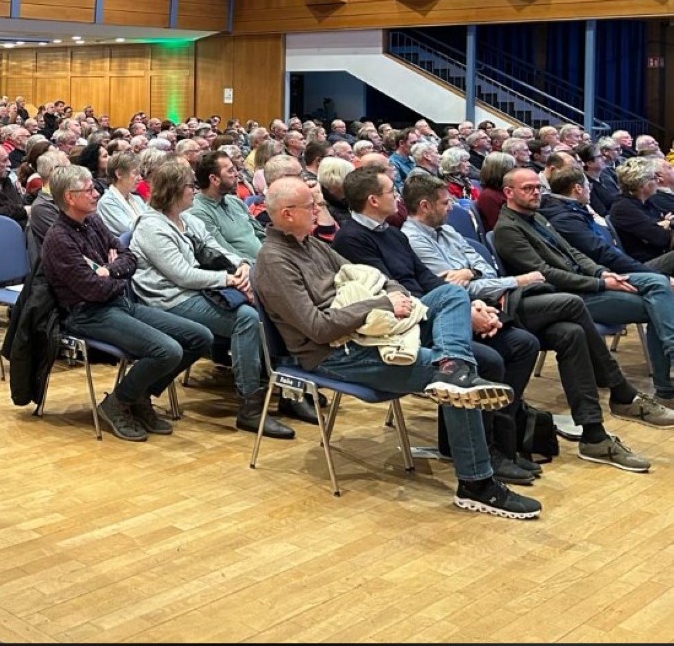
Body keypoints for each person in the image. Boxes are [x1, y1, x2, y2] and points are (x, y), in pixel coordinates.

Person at [254, 176, 540, 519]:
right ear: (287, 214)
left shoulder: (310, 244)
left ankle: (453, 367)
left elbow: (373, 277)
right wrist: (381, 303)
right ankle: (476, 483)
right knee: (456, 380)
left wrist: (390, 293)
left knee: (451, 295)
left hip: (371, 331)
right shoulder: (274, 261)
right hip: (336, 352)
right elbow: (317, 328)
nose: (319, 210)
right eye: (310, 206)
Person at [400, 170, 653, 472]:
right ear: (425, 206)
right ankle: (621, 392)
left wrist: (471, 272)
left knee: (570, 332)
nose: (452, 207)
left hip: (500, 302)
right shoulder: (413, 240)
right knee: (571, 304)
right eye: (445, 203)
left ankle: (594, 435)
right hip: (479, 311)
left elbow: (485, 269)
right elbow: (453, 289)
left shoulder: (449, 231)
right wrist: (511, 280)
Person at [491, 167, 674, 429]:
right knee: (659, 303)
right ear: (508, 192)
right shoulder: (508, 229)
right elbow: (546, 274)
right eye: (528, 188)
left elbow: (574, 254)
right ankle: (666, 387)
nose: (536, 193)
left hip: (590, 282)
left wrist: (602, 273)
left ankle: (667, 381)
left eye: (538, 187)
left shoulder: (537, 217)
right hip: (569, 294)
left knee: (658, 284)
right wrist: (600, 282)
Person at [41, 164, 208, 442]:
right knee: (167, 350)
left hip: (118, 303)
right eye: (89, 190)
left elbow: (130, 257)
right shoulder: (59, 239)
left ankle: (138, 395)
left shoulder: (93, 221)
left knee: (199, 337)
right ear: (70, 197)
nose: (97, 194)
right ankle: (117, 403)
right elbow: (93, 290)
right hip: (87, 314)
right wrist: (116, 274)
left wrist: (110, 270)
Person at [130, 158, 294, 438]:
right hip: (167, 299)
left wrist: (241, 265)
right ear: (173, 191)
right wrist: (228, 279)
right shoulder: (151, 227)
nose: (194, 191)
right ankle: (251, 407)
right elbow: (182, 275)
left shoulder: (188, 220)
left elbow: (217, 249)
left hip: (197, 291)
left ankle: (285, 389)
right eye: (189, 186)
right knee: (246, 319)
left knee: (265, 306)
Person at [187, 150, 264, 262]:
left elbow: (261, 234)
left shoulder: (235, 202)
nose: (236, 174)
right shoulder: (199, 212)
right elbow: (225, 252)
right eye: (230, 171)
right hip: (245, 268)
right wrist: (259, 265)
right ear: (214, 179)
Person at [96, 151, 146, 236]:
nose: (140, 178)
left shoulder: (137, 199)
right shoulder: (107, 202)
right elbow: (131, 229)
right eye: (135, 173)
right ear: (119, 174)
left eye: (140, 173)